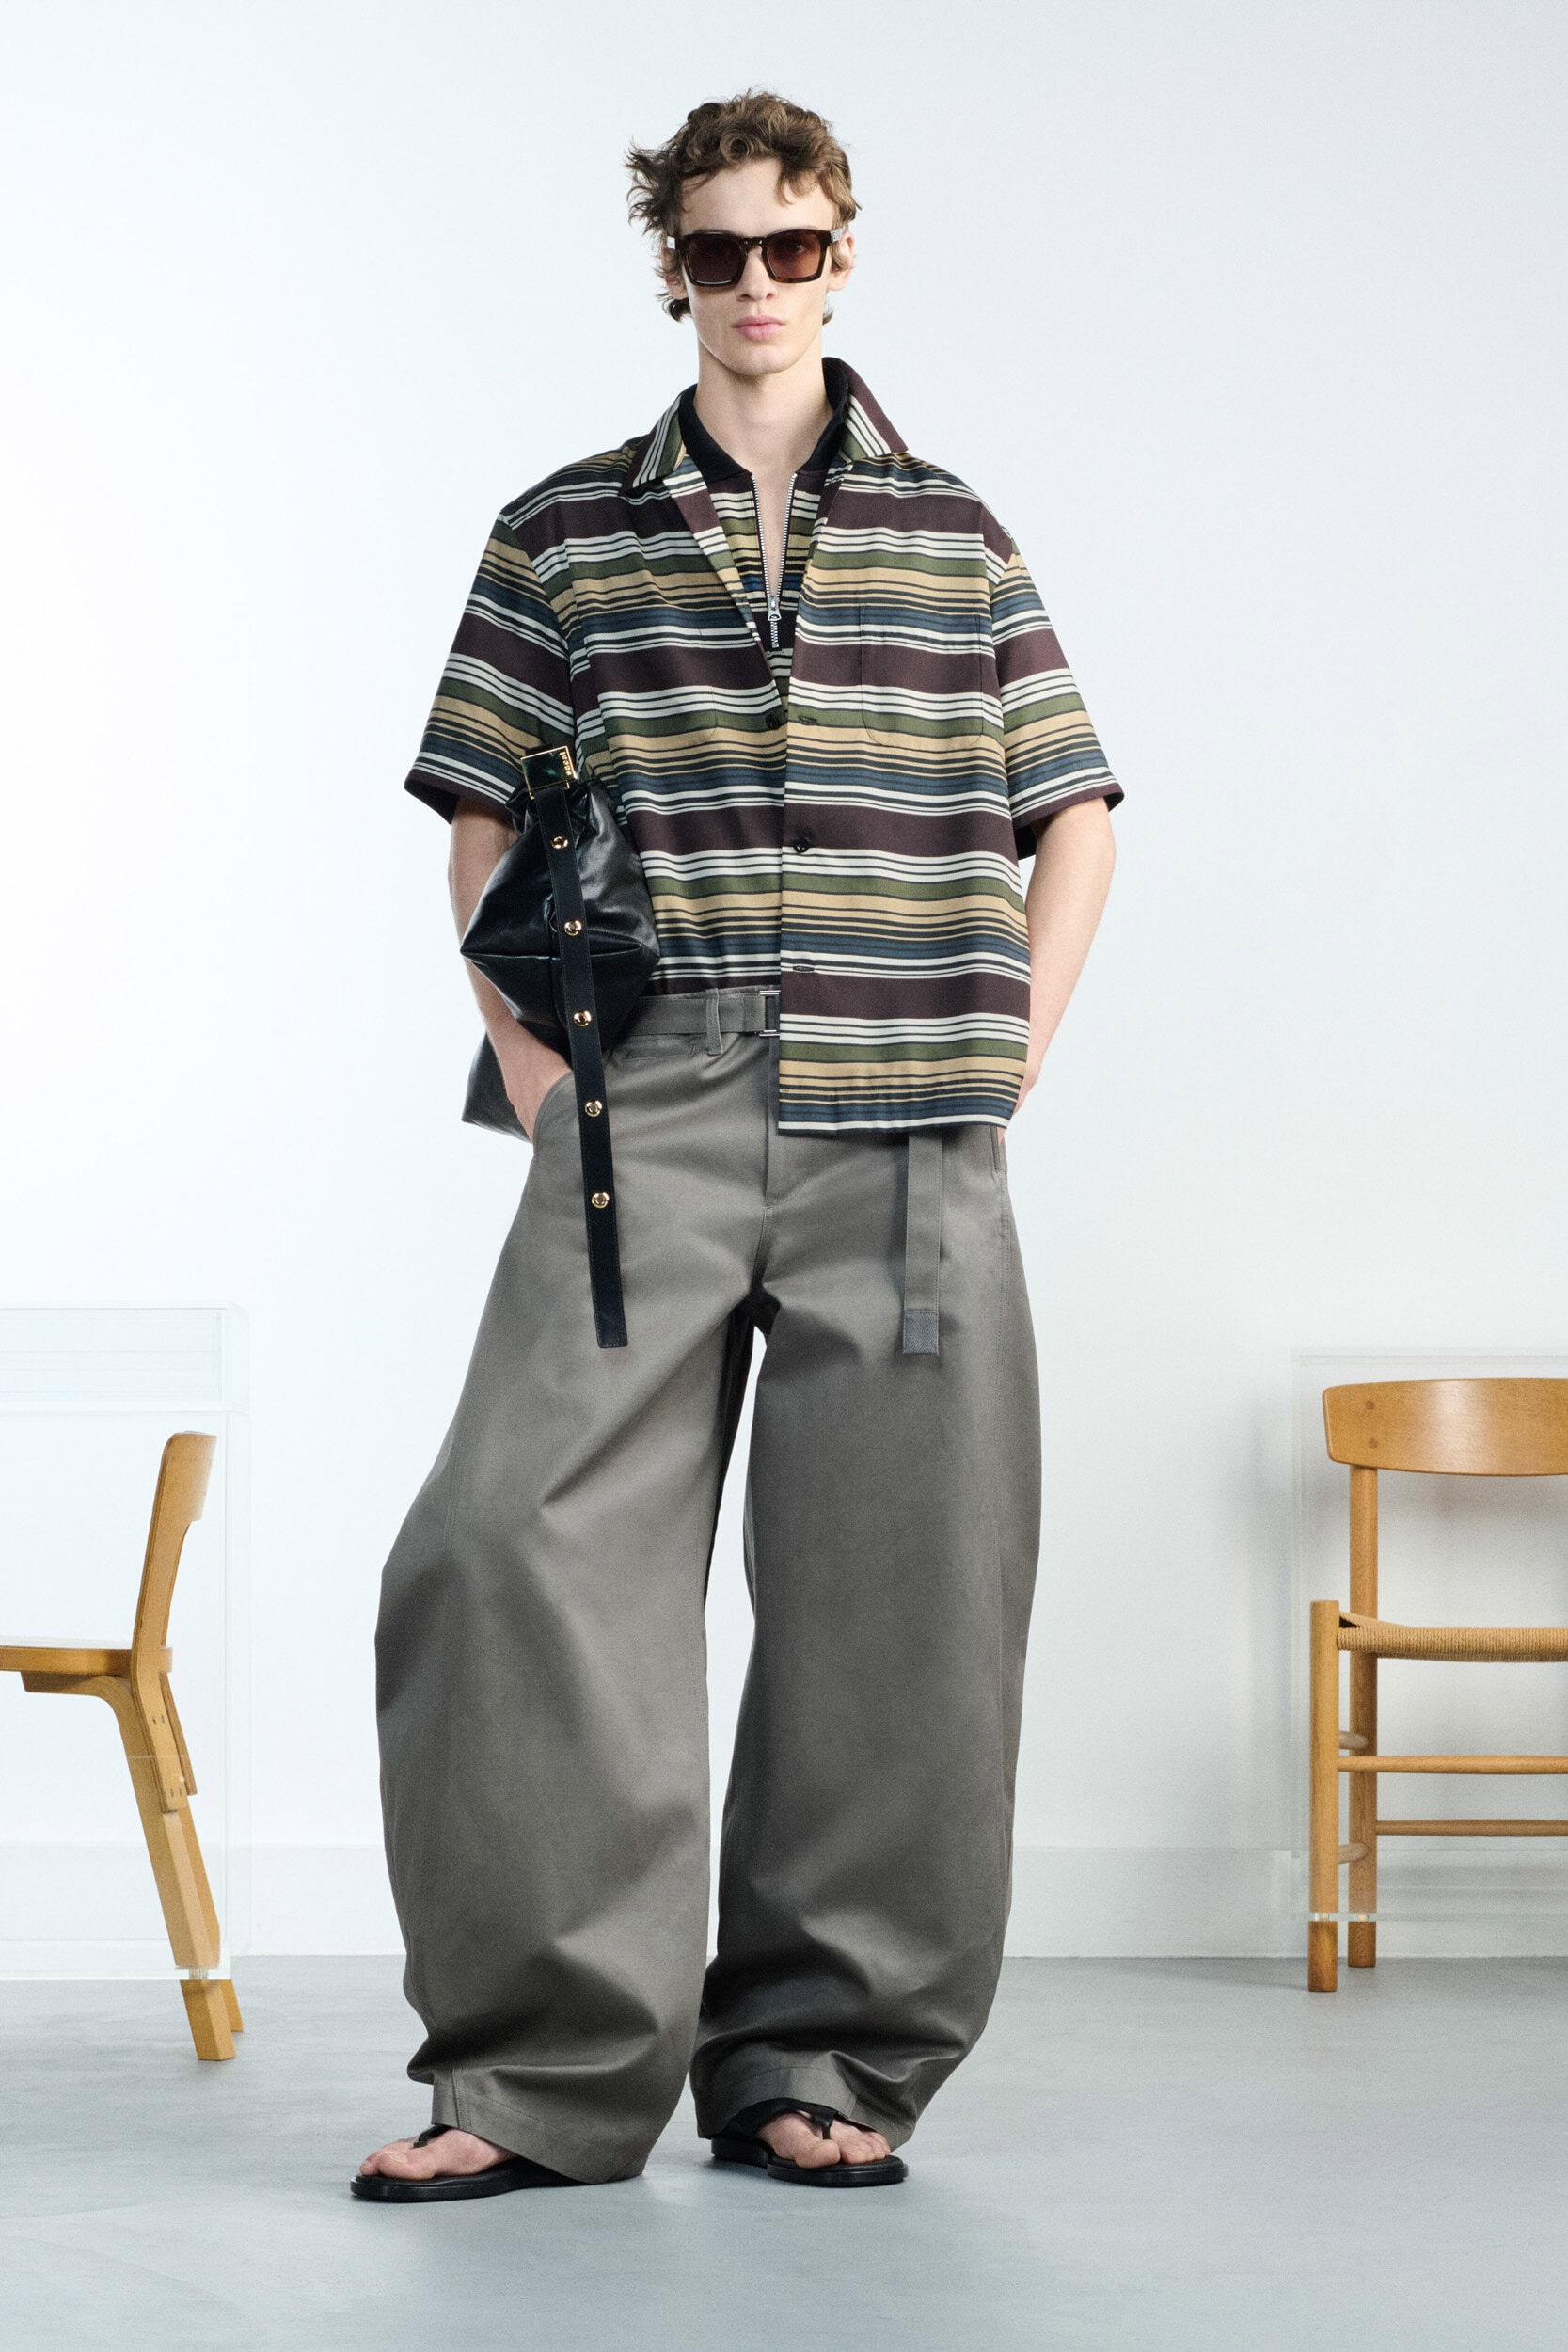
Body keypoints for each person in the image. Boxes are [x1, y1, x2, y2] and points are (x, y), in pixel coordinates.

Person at [356, 89, 1119, 2201]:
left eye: (793, 247)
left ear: (842, 255)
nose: (758, 283)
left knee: (905, 1601)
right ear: (671, 268)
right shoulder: (564, 528)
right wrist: (534, 1067)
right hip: (651, 1097)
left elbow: (1073, 811)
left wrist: (1012, 1054)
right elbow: (481, 816)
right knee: (505, 1548)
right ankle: (532, 2072)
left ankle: (821, 2053)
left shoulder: (953, 529)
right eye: (717, 251)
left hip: (912, 1110)